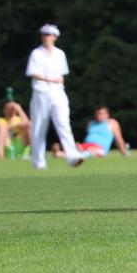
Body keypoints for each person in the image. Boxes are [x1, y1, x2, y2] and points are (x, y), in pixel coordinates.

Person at [26, 23, 84, 169]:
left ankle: (72, 157)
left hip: (58, 93)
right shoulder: (36, 53)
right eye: (43, 35)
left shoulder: (60, 54)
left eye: (48, 35)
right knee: (39, 127)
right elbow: (33, 73)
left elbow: (62, 75)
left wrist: (57, 82)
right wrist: (50, 80)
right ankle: (39, 162)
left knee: (64, 124)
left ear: (55, 37)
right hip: (41, 94)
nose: (45, 37)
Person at [51, 105, 129, 158]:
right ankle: (61, 153)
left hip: (99, 148)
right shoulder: (91, 123)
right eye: (97, 114)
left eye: (101, 114)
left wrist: (124, 152)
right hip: (86, 145)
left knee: (85, 152)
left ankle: (60, 154)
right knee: (77, 147)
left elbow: (118, 139)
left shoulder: (112, 123)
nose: (99, 116)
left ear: (107, 114)